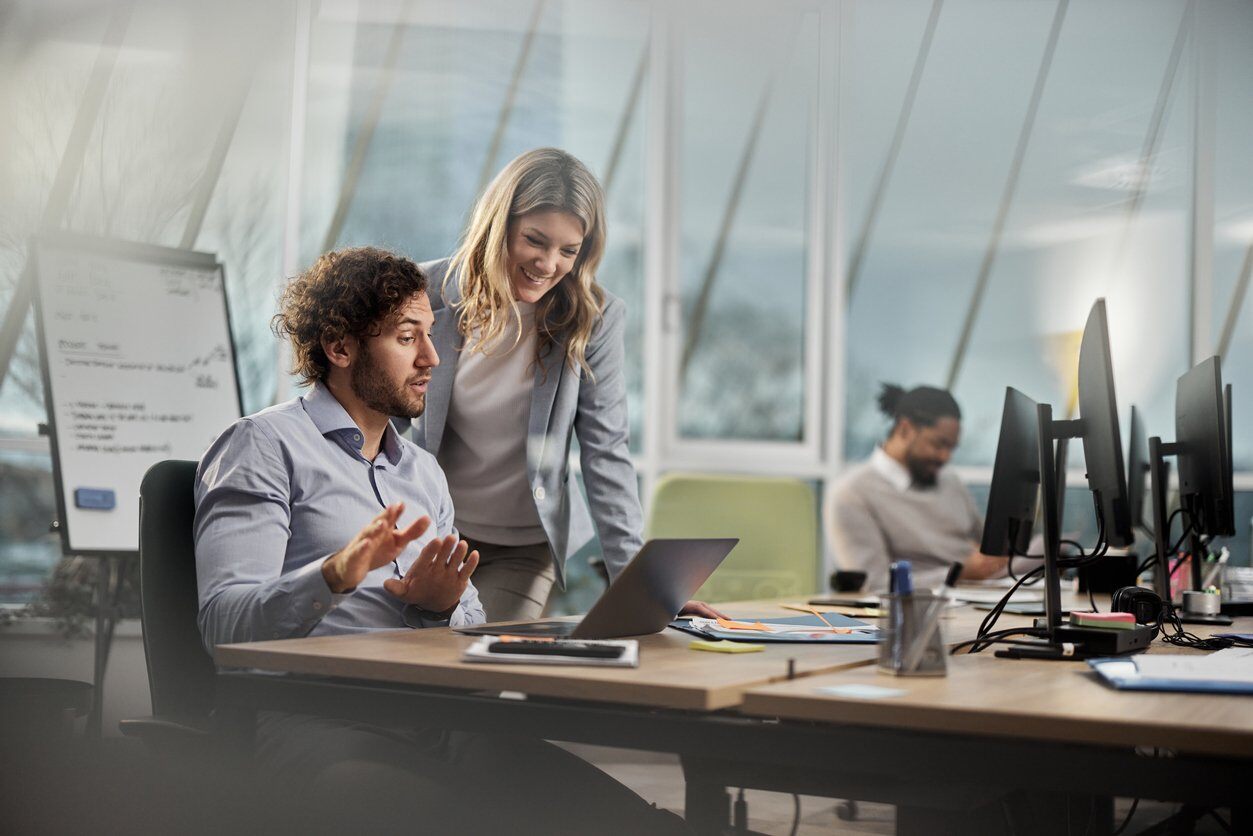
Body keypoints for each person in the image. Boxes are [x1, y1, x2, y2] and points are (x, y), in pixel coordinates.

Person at [194, 246, 684, 834]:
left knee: (636, 821)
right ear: (341, 346)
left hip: (437, 723)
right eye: (407, 338)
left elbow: (470, 624)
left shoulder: (422, 472)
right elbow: (223, 625)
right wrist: (333, 575)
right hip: (319, 725)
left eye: (430, 335)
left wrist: (442, 606)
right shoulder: (263, 446)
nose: (432, 358)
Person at [414, 147, 719, 621]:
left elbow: (606, 452)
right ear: (500, 226)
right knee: (413, 660)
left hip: (522, 545)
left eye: (568, 251)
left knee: (483, 663)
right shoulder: (424, 291)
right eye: (535, 240)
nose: (548, 263)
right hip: (431, 531)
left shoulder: (594, 319)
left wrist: (642, 588)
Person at [826, 383, 1009, 593]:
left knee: (1046, 551)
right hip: (930, 606)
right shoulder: (852, 494)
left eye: (951, 448)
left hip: (985, 590)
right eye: (938, 444)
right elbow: (872, 584)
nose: (945, 457)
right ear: (905, 429)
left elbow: (986, 543)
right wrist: (958, 574)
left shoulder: (950, 480)